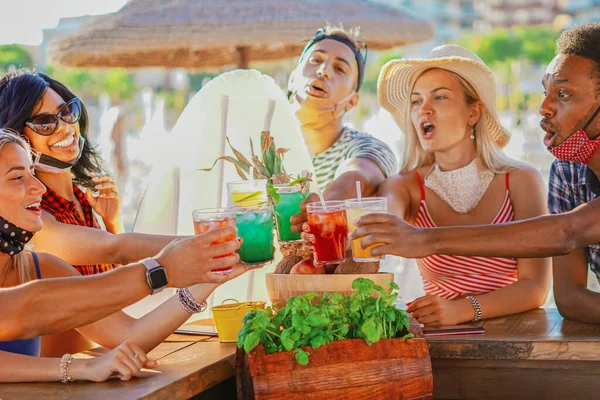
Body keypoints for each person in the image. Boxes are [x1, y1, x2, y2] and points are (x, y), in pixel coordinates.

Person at [350, 23, 600, 325]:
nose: (543, 108)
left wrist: (427, 243)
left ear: (474, 112)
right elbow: (569, 299)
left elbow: (565, 234)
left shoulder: (520, 179)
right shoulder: (566, 171)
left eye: (562, 94)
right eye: (416, 101)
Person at [0, 129, 255, 382]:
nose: (40, 187)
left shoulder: (37, 268)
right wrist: (78, 368)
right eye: (17, 178)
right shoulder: (35, 285)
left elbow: (127, 334)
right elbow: (28, 305)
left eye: (32, 173)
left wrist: (207, 276)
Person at [288, 25, 397, 233]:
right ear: (293, 78)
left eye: (340, 69)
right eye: (315, 60)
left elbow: (359, 173)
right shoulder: (263, 147)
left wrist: (324, 207)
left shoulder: (368, 146)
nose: (323, 71)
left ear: (352, 101)